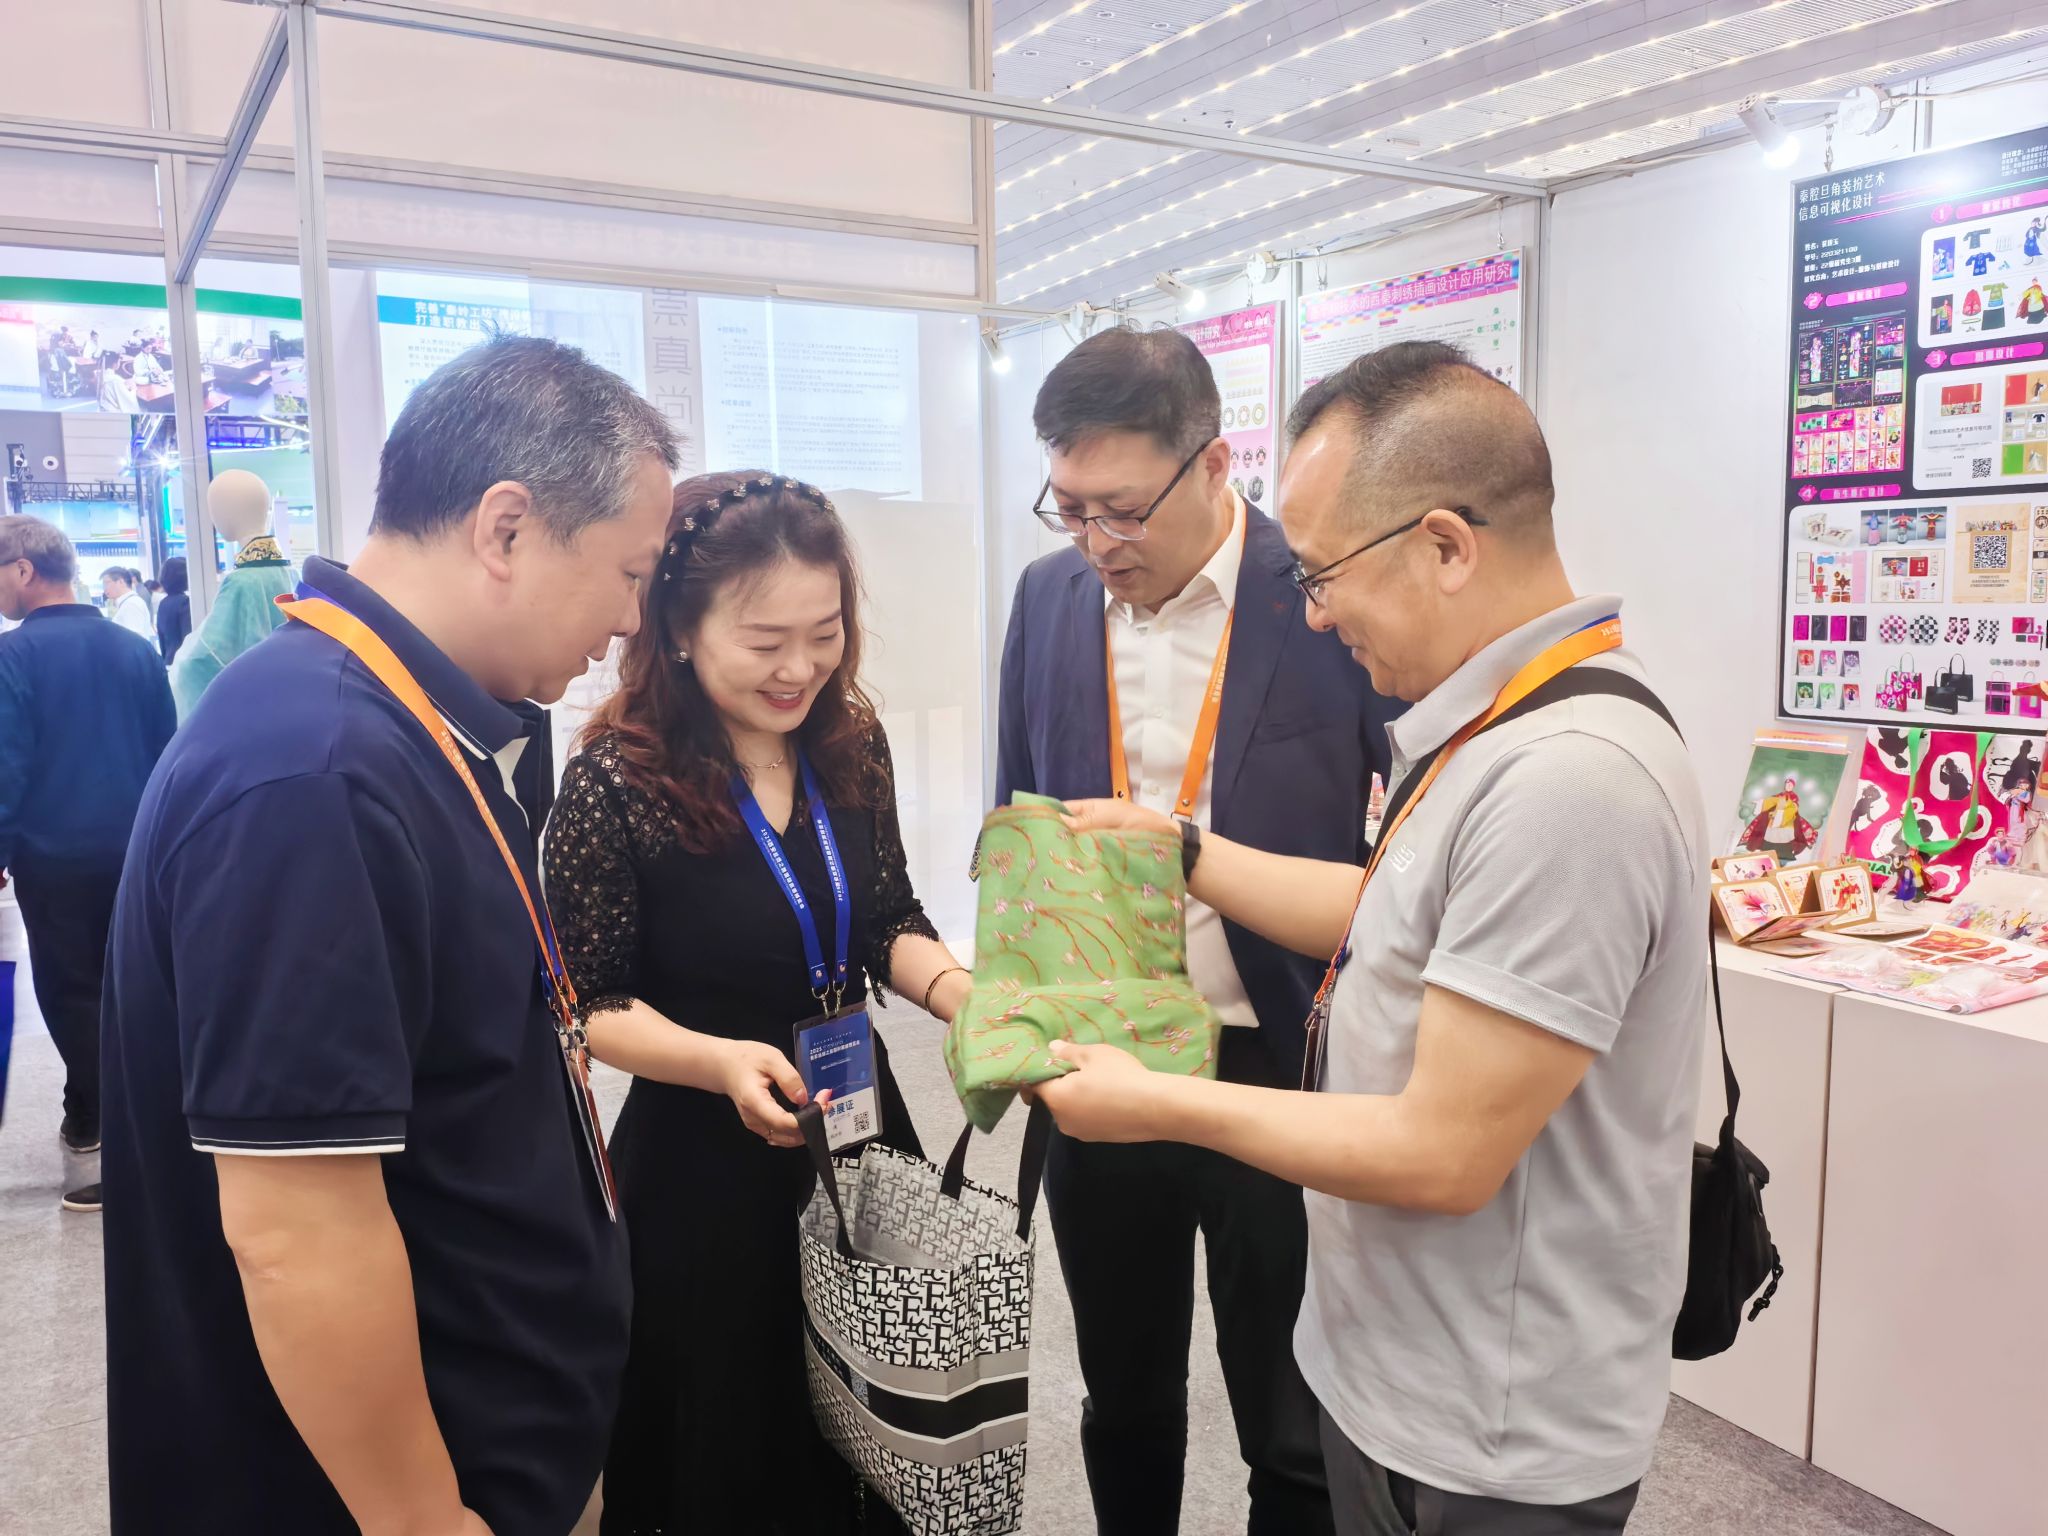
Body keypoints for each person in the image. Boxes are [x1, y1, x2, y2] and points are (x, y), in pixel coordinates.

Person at [1033, 340, 1708, 1536]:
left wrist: (1160, 1103)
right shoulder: (1489, 727)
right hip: (1404, 1374)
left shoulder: (1568, 782)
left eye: (1323, 573)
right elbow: (1383, 911)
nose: (1313, 609)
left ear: (1444, 546)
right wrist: (1180, 847)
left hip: (1483, 1435)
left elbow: (1442, 1152)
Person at [99, 335, 677, 1534]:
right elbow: (297, 1232)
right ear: (506, 529)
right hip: (403, 1494)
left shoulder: (409, 728)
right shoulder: (313, 774)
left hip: (499, 1437)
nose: (631, 620)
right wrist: (422, 1517)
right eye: (628, 575)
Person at [995, 324, 1400, 1536]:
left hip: (1274, 1060)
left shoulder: (1320, 591)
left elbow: (1404, 852)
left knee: (1289, 1418)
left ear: (1214, 463)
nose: (1095, 541)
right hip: (1100, 1055)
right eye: (1069, 508)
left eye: (1121, 509)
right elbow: (1018, 810)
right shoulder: (1048, 597)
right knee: (1122, 1394)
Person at [544, 470, 968, 1534]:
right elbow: (591, 1001)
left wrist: (961, 993)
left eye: (824, 635)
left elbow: (886, 917)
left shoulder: (848, 739)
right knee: (730, 1429)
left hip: (857, 1122)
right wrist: (720, 1061)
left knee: (875, 1402)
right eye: (764, 641)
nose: (799, 670)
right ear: (679, 631)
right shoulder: (617, 779)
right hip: (707, 1151)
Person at [0, 514, 175, 1213]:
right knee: (135, 986)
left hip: (56, 855)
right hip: (138, 848)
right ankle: (106, 1115)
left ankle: (106, 1136)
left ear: (23, 570)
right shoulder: (135, 650)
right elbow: (168, 753)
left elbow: (7, 763)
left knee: (72, 990)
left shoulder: (13, 658)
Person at [100, 566, 155, 650]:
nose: (104, 588)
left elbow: (134, 642)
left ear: (121, 582)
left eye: (107, 583)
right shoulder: (128, 602)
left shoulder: (131, 604)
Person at [155, 556, 191, 665]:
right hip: (184, 662)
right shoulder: (185, 602)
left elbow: (162, 639)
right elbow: (188, 638)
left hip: (169, 660)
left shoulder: (163, 603)